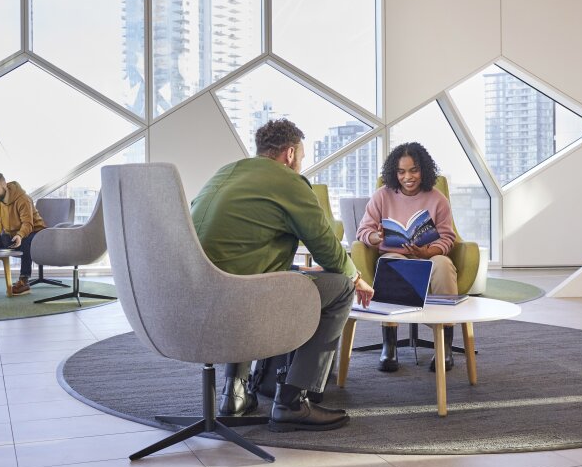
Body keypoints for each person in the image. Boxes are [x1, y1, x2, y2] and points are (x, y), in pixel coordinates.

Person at [190, 118, 374, 432]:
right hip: (241, 299)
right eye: (301, 157)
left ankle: (234, 392)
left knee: (281, 275)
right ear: (289, 154)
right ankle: (292, 400)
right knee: (341, 288)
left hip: (198, 296)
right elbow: (328, 250)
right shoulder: (288, 181)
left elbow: (239, 252)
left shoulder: (225, 173)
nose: (300, 164)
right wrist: (356, 277)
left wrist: (296, 271)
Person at [356, 142, 459, 373]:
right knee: (391, 262)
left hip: (429, 255)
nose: (408, 177)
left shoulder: (437, 198)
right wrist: (376, 236)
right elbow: (363, 232)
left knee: (443, 265)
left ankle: (445, 347)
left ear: (423, 170)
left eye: (413, 170)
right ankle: (389, 346)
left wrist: (428, 252)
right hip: (395, 253)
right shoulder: (382, 196)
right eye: (401, 171)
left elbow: (448, 238)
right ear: (395, 173)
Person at [0, 172, 46, 296]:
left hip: (36, 234)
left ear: (4, 184)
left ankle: (24, 280)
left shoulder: (23, 199)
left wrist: (20, 235)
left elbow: (27, 224)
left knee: (26, 240)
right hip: (13, 236)